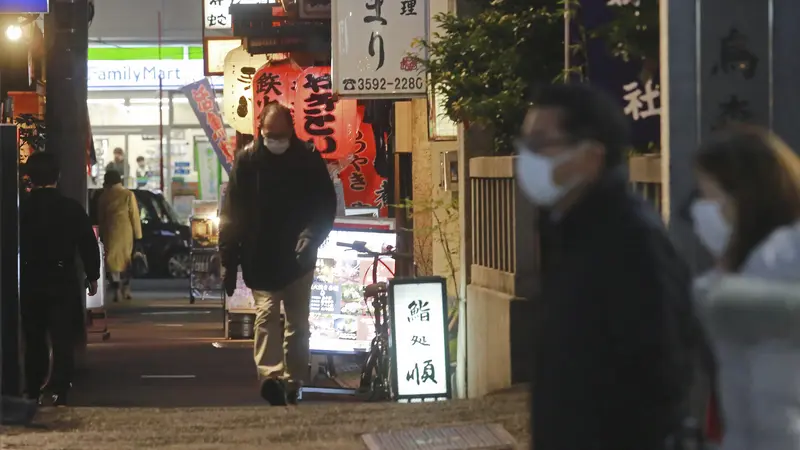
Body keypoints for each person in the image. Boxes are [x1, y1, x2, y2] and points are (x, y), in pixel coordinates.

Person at [515, 83, 700, 450]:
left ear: (590, 156)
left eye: (540, 144)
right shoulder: (571, 231)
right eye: (523, 143)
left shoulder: (630, 241)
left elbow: (658, 374)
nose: (526, 157)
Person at [219, 102, 337, 406]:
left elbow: (325, 204)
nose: (276, 140)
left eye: (281, 135)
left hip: (299, 256)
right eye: (271, 134)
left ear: (292, 131)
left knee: (298, 323)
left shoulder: (308, 159)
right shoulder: (247, 161)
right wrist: (228, 262)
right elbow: (232, 212)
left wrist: (311, 236)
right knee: (267, 314)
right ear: (260, 130)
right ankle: (271, 376)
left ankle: (294, 380)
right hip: (260, 256)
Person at [690, 126, 800, 450]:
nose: (699, 210)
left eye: (707, 196)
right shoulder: (757, 266)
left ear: (745, 198)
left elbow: (775, 417)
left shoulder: (776, 270)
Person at [20, 151, 101, 406]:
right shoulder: (70, 208)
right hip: (62, 277)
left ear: (29, 178)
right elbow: (88, 243)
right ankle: (59, 389)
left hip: (31, 277)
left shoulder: (21, 209)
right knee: (62, 337)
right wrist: (92, 276)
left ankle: (33, 388)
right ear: (58, 176)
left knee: (34, 337)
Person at [97, 170, 142, 302]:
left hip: (109, 232)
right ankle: (126, 289)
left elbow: (101, 217)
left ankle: (116, 288)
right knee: (126, 261)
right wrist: (138, 236)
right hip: (126, 233)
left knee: (111, 262)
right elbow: (134, 216)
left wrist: (101, 234)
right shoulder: (128, 194)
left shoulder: (103, 197)